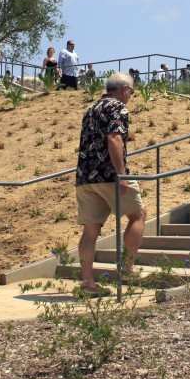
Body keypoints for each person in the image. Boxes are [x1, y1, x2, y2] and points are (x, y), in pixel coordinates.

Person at [75, 72, 146, 295]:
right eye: (132, 92)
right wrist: (121, 174)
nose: (131, 97)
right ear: (125, 89)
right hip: (108, 174)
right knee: (138, 215)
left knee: (90, 230)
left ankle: (87, 283)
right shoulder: (118, 108)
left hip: (86, 176)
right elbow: (114, 138)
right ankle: (127, 269)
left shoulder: (91, 109)